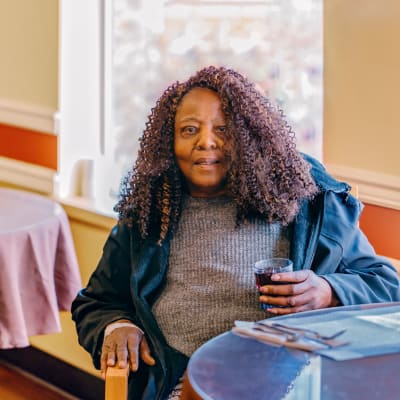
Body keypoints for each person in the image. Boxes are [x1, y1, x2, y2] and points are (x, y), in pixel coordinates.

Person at [71, 66, 400, 399]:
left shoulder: (305, 201)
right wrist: (117, 326)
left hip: (291, 384)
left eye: (224, 129)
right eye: (188, 130)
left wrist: (327, 291)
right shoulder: (150, 210)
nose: (206, 142)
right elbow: (97, 302)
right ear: (169, 142)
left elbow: (386, 286)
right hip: (183, 383)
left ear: (248, 137)